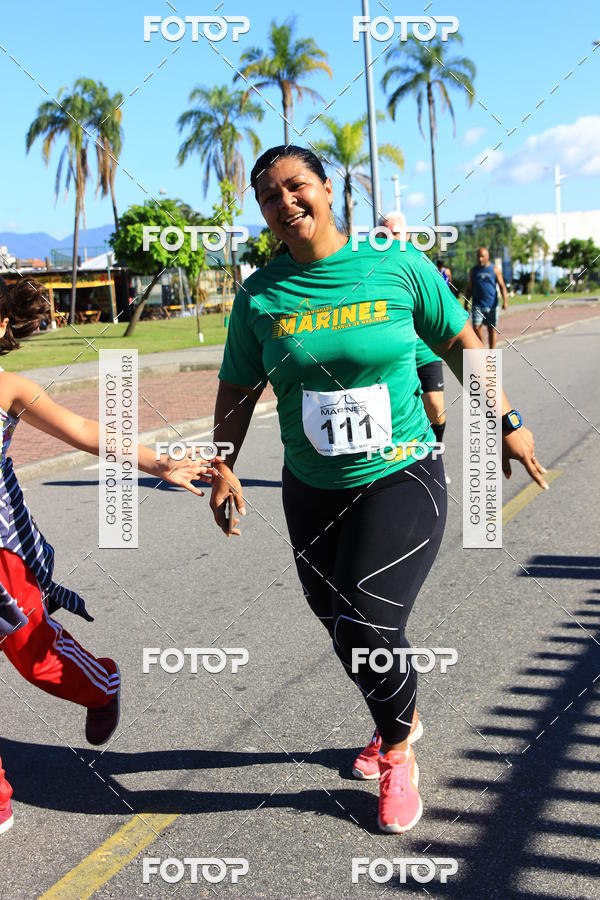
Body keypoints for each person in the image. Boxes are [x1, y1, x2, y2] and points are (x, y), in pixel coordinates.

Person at [209, 146, 547, 834]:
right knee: (339, 622)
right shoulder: (261, 294)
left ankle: (397, 753)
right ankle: (401, 712)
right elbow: (239, 385)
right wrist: (222, 464)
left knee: (365, 614)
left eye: (296, 186)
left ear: (328, 189)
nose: (285, 203)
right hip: (310, 487)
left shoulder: (394, 264)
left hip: (401, 472)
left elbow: (458, 343)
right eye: (269, 196)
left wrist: (506, 422)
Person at [0, 277, 214, 835]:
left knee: (34, 655)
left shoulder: (9, 388)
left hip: (3, 558)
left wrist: (159, 462)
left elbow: (87, 432)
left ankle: (101, 684)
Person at [381, 213, 450, 482]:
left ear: (407, 236)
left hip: (424, 348)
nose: (390, 238)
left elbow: (443, 309)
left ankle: (435, 457)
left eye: (395, 233)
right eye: (384, 234)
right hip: (395, 352)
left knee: (435, 406)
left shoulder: (421, 264)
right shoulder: (375, 268)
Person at [465, 246, 509, 349]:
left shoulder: (494, 269)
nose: (480, 259)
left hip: (492, 305)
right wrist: (466, 303)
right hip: (477, 305)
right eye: (478, 257)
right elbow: (469, 288)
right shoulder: (473, 271)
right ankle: (482, 347)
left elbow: (502, 286)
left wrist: (505, 301)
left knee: (491, 329)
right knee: (476, 327)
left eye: (482, 256)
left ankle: (492, 352)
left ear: (487, 256)